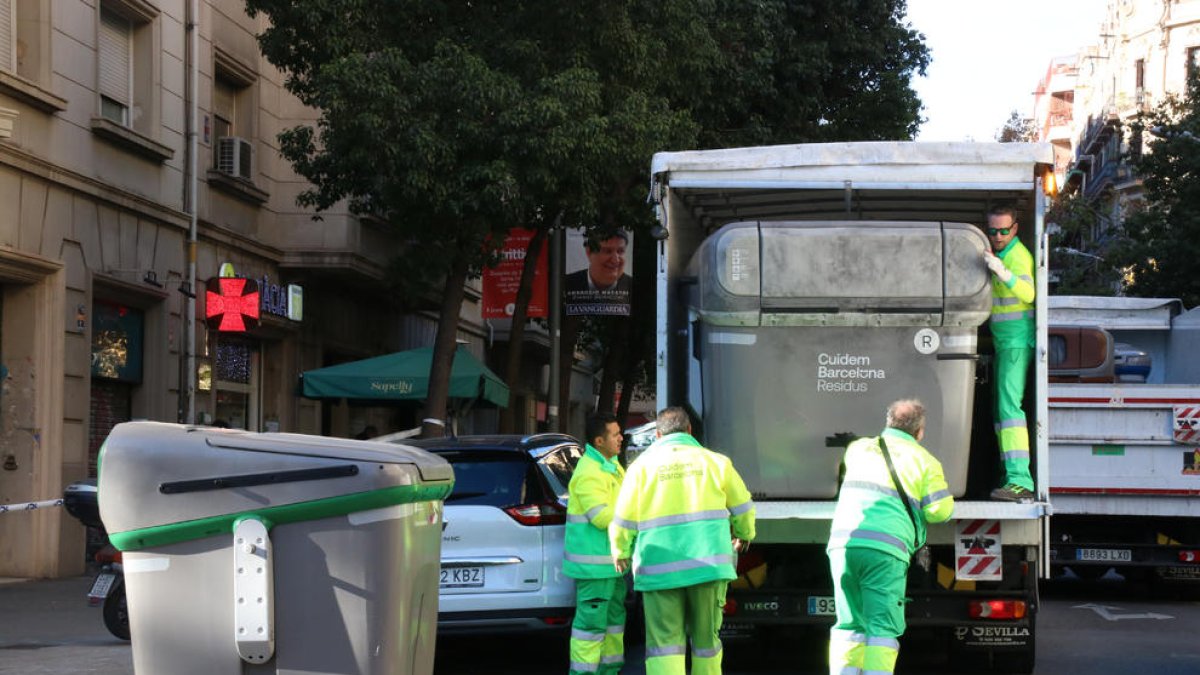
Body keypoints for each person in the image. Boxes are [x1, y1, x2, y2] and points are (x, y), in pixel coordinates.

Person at [609, 407, 755, 675]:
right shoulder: (717, 463)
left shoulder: (640, 468)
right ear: (689, 431)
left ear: (657, 435)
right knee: (706, 644)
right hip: (708, 569)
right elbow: (744, 508)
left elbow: (623, 519)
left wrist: (621, 551)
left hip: (659, 571)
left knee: (665, 645)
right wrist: (744, 535)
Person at [827, 399, 954, 675]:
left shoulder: (857, 449)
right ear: (920, 431)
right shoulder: (925, 461)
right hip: (885, 551)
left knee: (848, 625)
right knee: (882, 629)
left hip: (842, 545)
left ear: (888, 422)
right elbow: (938, 512)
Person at [564, 413, 628, 675]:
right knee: (590, 630)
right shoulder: (590, 472)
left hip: (609, 565)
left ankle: (609, 670)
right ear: (599, 440)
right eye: (615, 434)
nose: (621, 438)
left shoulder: (610, 465)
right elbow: (601, 517)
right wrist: (636, 514)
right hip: (595, 568)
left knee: (613, 624)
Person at [981, 204, 1036, 502]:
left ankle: (1019, 480)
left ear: (1015, 228)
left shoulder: (1017, 256)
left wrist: (1003, 273)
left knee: (1010, 411)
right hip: (1006, 343)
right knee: (1002, 413)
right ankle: (1010, 476)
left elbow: (1029, 294)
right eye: (993, 231)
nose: (998, 236)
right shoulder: (1000, 254)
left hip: (1016, 343)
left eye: (1004, 230)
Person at [565, 232, 633, 297]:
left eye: (620, 251)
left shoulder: (633, 286)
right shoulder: (566, 283)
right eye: (607, 251)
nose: (615, 260)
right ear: (589, 252)